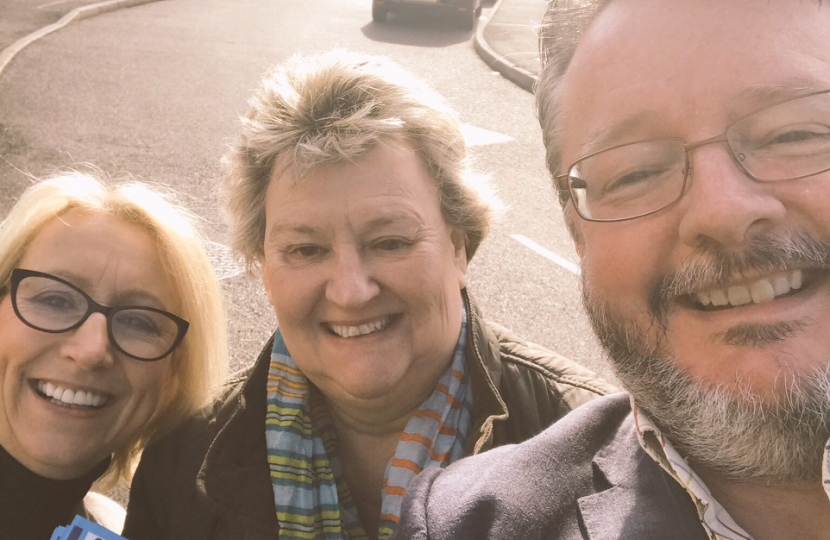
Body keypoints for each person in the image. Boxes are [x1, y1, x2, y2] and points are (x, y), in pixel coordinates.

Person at [122, 49, 616, 540]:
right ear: (264, 269)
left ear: (458, 247)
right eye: (306, 250)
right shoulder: (182, 462)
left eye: (391, 242)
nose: (352, 291)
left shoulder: (606, 457)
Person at [391, 0, 830, 539]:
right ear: (578, 236)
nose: (722, 210)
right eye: (634, 172)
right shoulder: (470, 526)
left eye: (795, 134)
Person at [0, 172, 228, 539]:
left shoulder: (113, 527)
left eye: (139, 323)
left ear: (175, 377)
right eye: (54, 300)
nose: (92, 350)